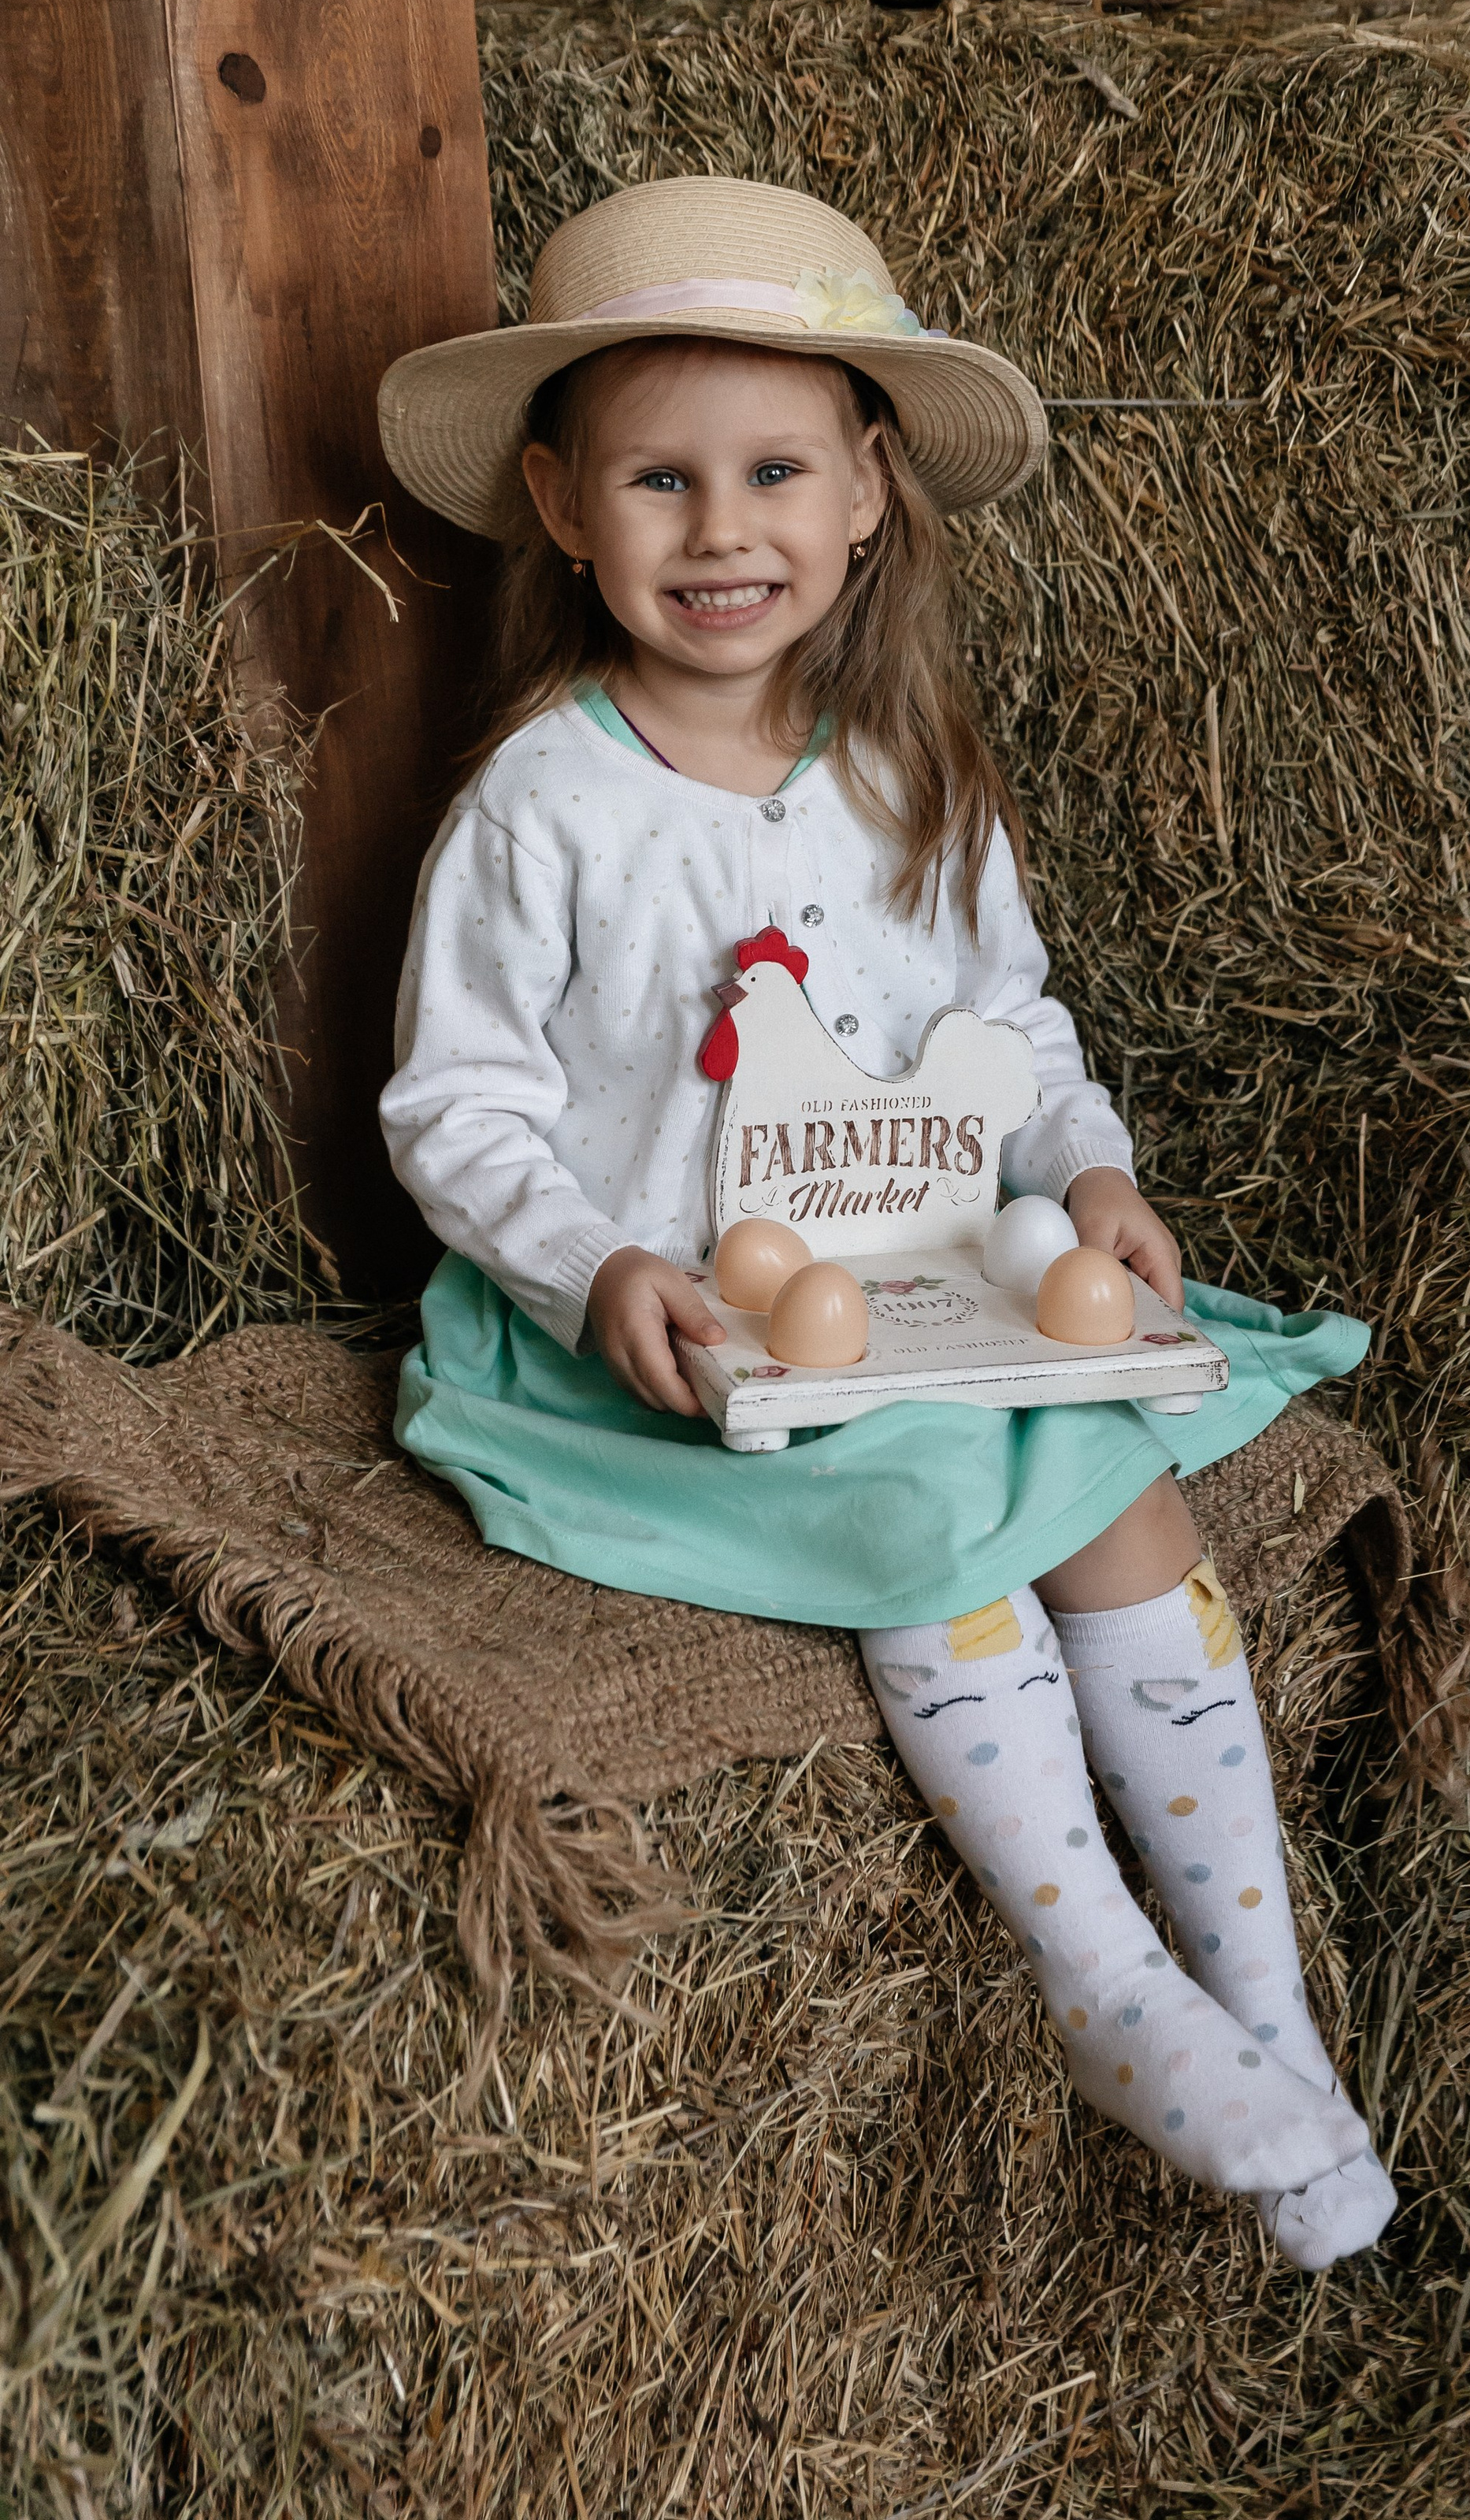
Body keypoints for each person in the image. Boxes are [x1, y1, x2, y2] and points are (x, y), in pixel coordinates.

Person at [376, 177, 1396, 2269]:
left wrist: (1088, 1175)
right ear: (565, 508)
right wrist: (598, 1272)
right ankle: (1100, 1977)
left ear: (864, 498)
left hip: (929, 1287)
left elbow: (1003, 1025)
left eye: (773, 473)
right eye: (660, 480)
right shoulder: (544, 806)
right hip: (685, 1342)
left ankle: (1265, 1999)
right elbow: (457, 1110)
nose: (720, 529)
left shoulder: (911, 763)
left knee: (1120, 1496)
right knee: (948, 1541)